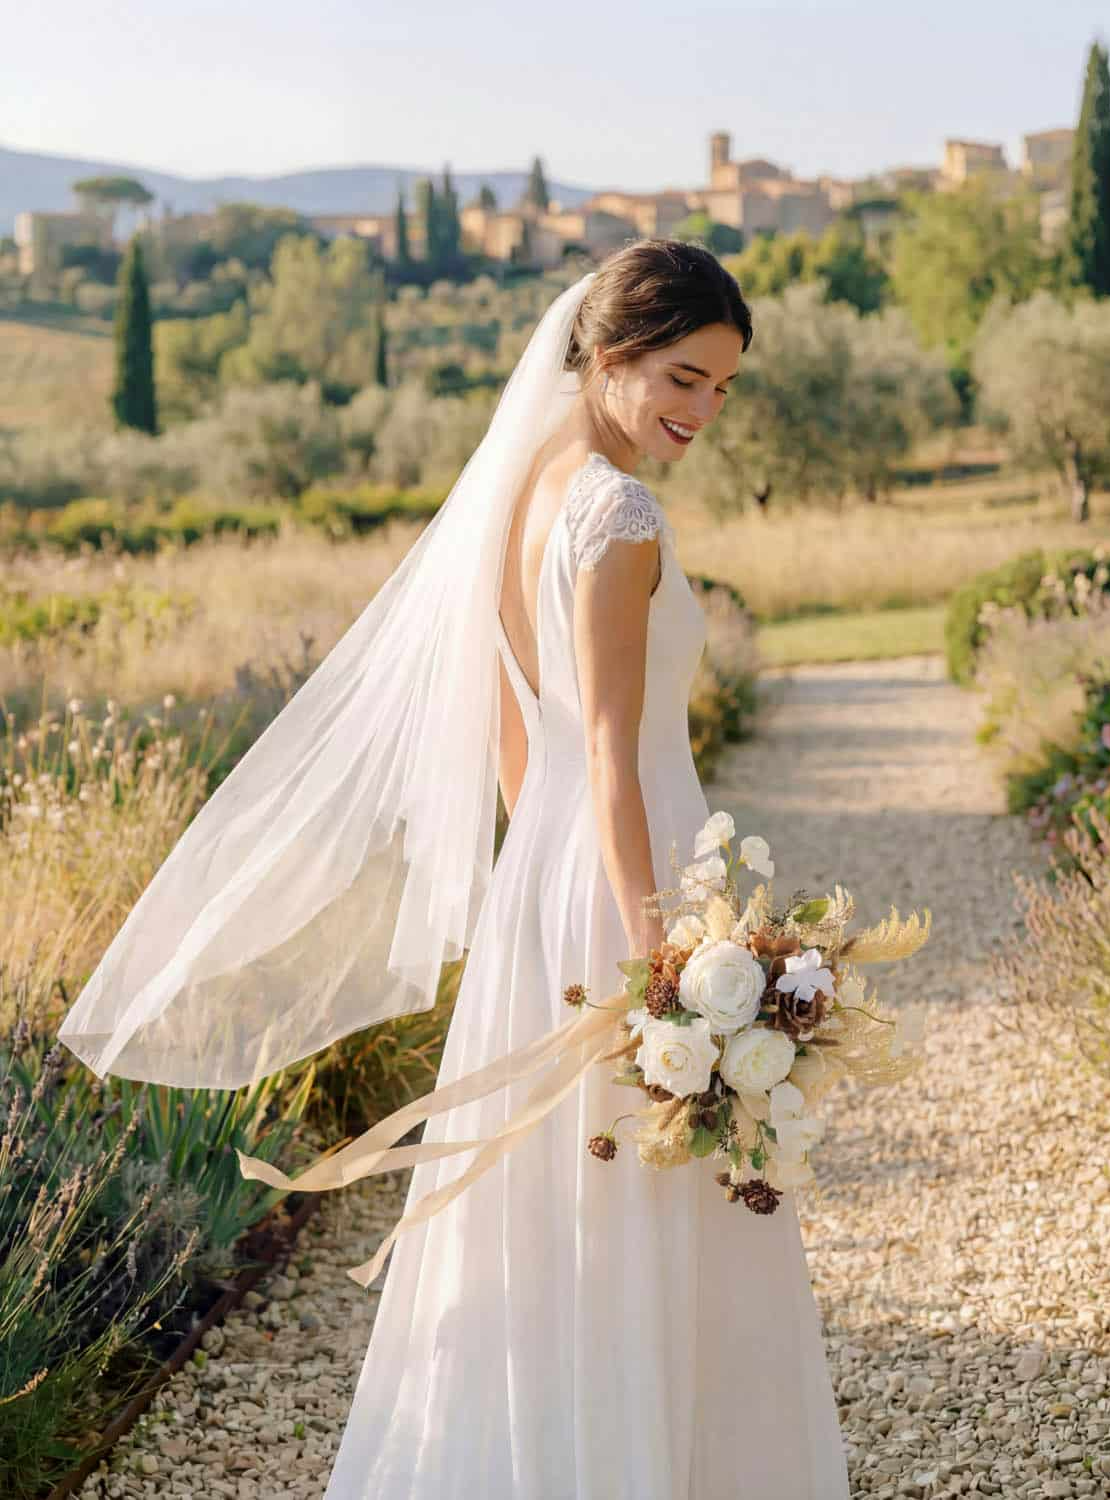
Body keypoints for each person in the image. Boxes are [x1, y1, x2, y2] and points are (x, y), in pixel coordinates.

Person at [58, 238, 851, 1497]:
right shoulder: (618, 509)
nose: (701, 413)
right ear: (610, 354)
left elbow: (507, 724)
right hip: (617, 875)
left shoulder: (520, 488)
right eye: (684, 380)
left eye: (722, 391)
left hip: (546, 871)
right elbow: (606, 746)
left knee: (553, 1201)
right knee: (651, 1184)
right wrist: (667, 950)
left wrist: (533, 881)